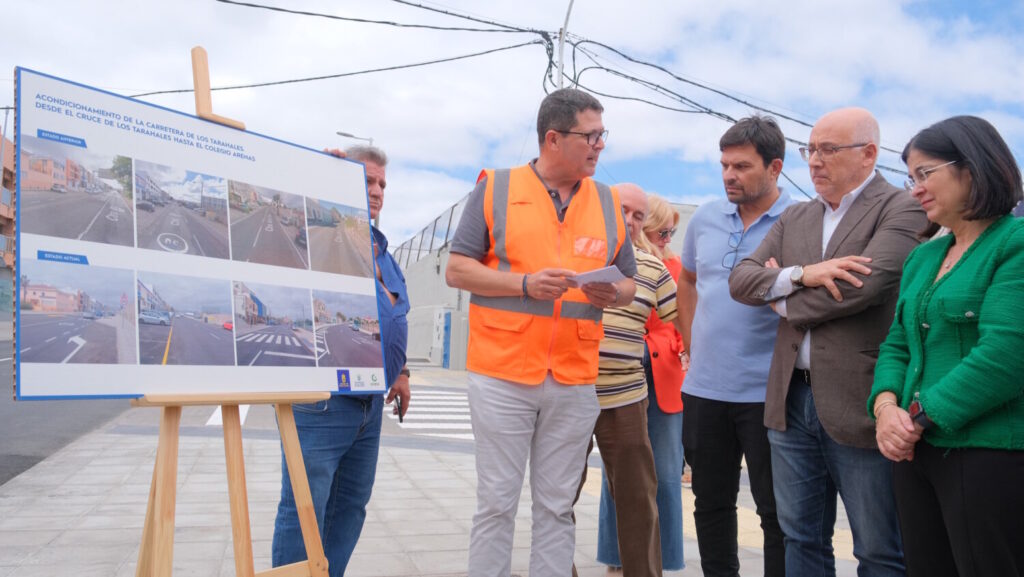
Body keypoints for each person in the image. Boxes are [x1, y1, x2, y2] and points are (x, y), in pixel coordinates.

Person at [728, 107, 929, 577]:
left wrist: (779, 297)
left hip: (860, 399)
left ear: (869, 154)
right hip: (789, 398)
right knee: (800, 537)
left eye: (829, 150)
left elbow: (865, 288)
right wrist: (803, 274)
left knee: (878, 548)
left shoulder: (901, 207)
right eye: (811, 150)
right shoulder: (796, 215)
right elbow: (741, 280)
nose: (815, 161)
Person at [445, 88, 637, 577]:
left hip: (573, 377)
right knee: (496, 503)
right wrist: (524, 284)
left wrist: (612, 294)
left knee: (556, 506)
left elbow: (630, 285)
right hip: (502, 372)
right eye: (590, 136)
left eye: (602, 135)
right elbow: (458, 270)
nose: (599, 146)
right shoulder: (496, 187)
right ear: (553, 138)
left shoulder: (609, 202)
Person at [868, 115, 1024, 577]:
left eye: (924, 173)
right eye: (910, 177)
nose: (914, 188)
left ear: (972, 167)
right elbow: (897, 344)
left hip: (986, 454)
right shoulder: (924, 256)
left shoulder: (1014, 244)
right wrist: (884, 408)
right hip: (915, 452)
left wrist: (915, 418)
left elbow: (1007, 354)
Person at [272, 145, 411, 577]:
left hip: (370, 407)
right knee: (304, 509)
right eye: (367, 180)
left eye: (382, 184)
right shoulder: (319, 235)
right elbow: (286, 210)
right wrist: (315, 173)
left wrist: (402, 372)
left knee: (349, 509)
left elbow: (396, 313)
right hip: (324, 401)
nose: (377, 191)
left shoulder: (383, 253)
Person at [676, 115, 792, 577]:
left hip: (770, 395)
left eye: (742, 166)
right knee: (711, 505)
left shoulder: (798, 220)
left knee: (776, 514)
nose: (729, 175)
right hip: (704, 390)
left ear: (775, 167)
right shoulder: (705, 217)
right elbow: (686, 280)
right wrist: (691, 343)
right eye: (724, 165)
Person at [573, 183, 674, 577]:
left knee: (637, 500)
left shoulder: (653, 268)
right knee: (558, 497)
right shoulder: (574, 255)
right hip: (570, 393)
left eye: (638, 215)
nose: (631, 222)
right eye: (622, 211)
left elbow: (682, 318)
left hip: (627, 397)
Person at [596, 193, 687, 572]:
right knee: (601, 481)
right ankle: (615, 558)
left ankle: (656, 562)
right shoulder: (588, 257)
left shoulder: (666, 269)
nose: (667, 238)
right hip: (588, 383)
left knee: (655, 479)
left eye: (671, 233)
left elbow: (684, 322)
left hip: (647, 383)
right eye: (662, 231)